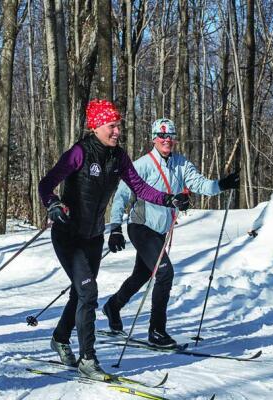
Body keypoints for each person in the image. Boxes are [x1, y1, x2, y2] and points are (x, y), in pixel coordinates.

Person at [38, 101, 189, 380]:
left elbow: (140, 187)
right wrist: (53, 204)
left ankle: (60, 337)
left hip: (94, 235)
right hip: (68, 235)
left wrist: (168, 198)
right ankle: (88, 359)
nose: (118, 131)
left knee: (80, 293)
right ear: (96, 127)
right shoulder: (79, 153)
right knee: (88, 293)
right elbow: (47, 183)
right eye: (112, 126)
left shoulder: (118, 157)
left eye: (119, 126)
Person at [103, 118, 240, 348]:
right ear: (154, 138)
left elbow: (201, 185)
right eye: (162, 136)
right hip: (140, 227)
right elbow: (121, 196)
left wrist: (222, 185)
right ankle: (157, 332)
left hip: (160, 232)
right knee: (165, 273)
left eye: (170, 136)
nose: (167, 140)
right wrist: (115, 227)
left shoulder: (180, 164)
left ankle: (113, 307)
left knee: (141, 276)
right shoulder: (142, 165)